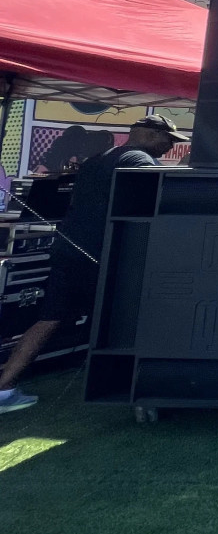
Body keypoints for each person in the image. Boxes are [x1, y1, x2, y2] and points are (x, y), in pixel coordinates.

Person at [0, 116, 186, 414]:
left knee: (49, 318)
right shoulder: (138, 159)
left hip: (69, 250)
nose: (169, 147)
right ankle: (142, 392)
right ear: (151, 134)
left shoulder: (97, 160)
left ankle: (4, 388)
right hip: (101, 255)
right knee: (133, 319)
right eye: (169, 140)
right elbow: (166, 193)